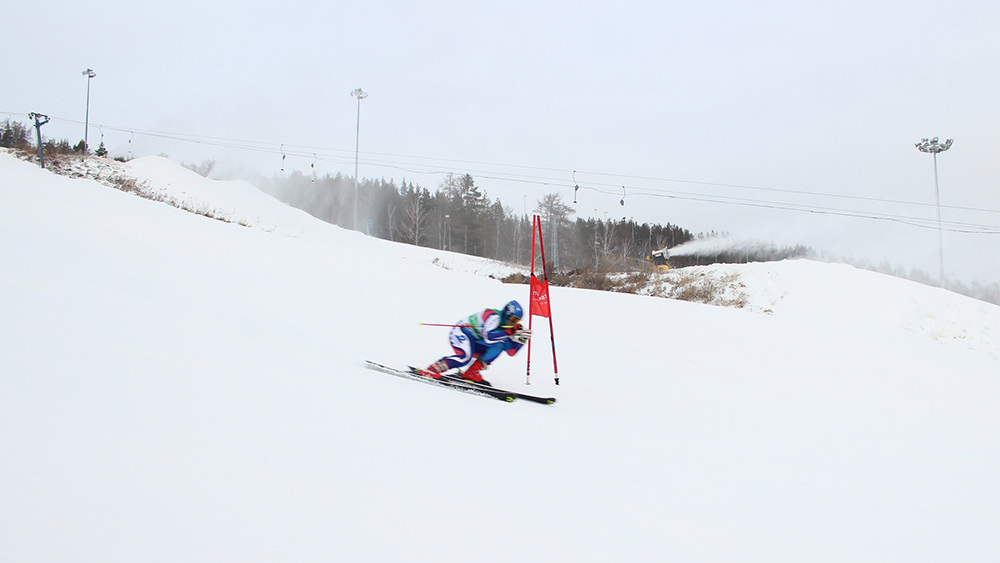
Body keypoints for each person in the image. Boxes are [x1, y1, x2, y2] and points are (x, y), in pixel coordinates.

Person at [421, 300, 531, 386]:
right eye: (513, 319)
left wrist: (520, 341)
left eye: (517, 321)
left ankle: (471, 373)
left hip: (474, 340)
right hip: (461, 332)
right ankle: (433, 369)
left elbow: (510, 352)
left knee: (499, 345)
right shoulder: (494, 316)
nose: (513, 323)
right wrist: (509, 332)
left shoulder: (507, 327)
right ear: (507, 314)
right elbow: (488, 337)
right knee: (465, 357)